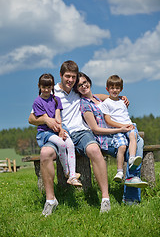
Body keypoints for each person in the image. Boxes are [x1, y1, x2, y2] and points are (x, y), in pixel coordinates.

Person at [29, 60, 113, 216]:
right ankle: (50, 200)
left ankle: (105, 199)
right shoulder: (51, 92)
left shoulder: (77, 89)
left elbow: (95, 95)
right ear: (60, 75)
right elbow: (31, 118)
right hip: (56, 133)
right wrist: (46, 120)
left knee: (94, 149)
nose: (70, 80)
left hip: (81, 132)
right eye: (67, 76)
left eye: (73, 77)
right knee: (45, 154)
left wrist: (116, 96)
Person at [74, 72, 148, 204]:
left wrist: (122, 98)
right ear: (76, 89)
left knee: (137, 141)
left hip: (115, 133)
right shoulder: (85, 104)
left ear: (89, 82)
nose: (84, 86)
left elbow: (113, 97)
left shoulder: (98, 98)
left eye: (85, 82)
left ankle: (131, 184)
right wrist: (121, 129)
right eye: (79, 85)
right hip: (105, 139)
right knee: (137, 142)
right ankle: (131, 194)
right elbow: (95, 129)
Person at [32, 73, 82, 187]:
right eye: (44, 87)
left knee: (70, 144)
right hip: (45, 132)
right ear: (39, 86)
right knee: (61, 144)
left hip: (58, 127)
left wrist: (61, 129)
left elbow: (58, 117)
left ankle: (73, 175)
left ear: (52, 87)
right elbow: (48, 120)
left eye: (49, 87)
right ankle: (67, 172)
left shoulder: (56, 99)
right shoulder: (37, 102)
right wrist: (58, 130)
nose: (46, 90)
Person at [99, 75, 143, 182]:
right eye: (112, 88)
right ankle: (119, 171)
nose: (115, 90)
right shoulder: (106, 103)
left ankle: (132, 158)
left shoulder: (123, 101)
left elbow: (125, 116)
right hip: (118, 128)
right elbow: (108, 121)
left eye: (117, 88)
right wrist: (122, 127)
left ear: (121, 89)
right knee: (122, 147)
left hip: (128, 125)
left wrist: (127, 126)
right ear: (107, 89)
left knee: (133, 136)